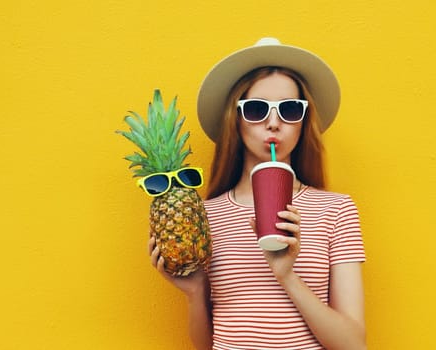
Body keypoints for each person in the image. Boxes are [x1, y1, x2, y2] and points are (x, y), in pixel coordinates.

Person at [148, 37, 366, 350]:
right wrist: (195, 293)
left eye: (290, 109)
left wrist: (287, 276)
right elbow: (207, 345)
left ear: (303, 123)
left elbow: (353, 345)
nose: (274, 123)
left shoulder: (336, 210)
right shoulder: (205, 216)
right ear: (235, 120)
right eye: (256, 109)